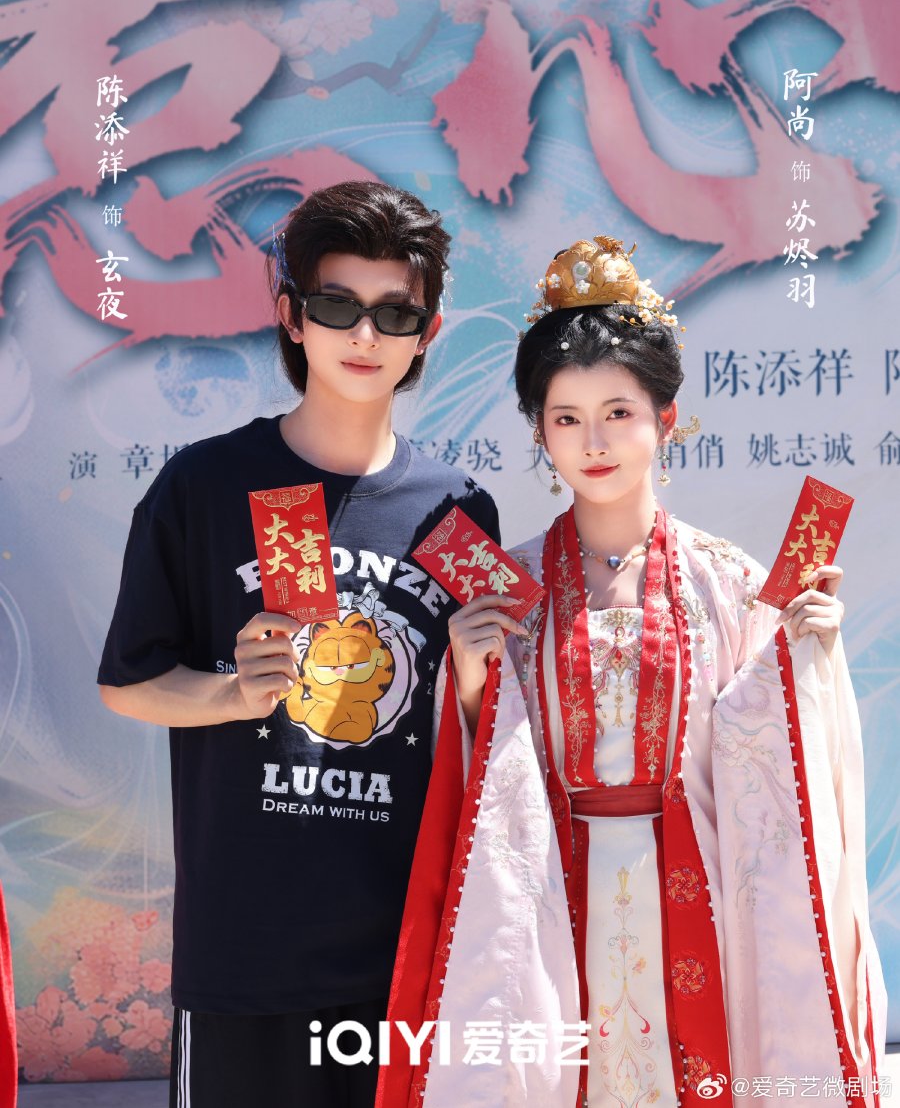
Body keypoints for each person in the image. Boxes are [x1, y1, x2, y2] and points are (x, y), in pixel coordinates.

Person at [378, 236, 886, 1108]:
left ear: (666, 417)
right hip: (556, 888)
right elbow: (484, 763)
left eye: (618, 411)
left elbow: (771, 752)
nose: (594, 440)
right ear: (540, 431)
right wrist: (466, 677)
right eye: (565, 418)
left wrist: (809, 649)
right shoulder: (510, 586)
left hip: (697, 890)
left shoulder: (728, 581)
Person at [98, 180, 500, 1108]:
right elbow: (128, 681)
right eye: (337, 305)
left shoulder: (456, 510)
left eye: (395, 312)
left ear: (427, 333)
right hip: (244, 952)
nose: (366, 335)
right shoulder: (206, 485)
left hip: (401, 950)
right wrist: (231, 693)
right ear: (292, 317)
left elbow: (476, 728)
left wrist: (477, 682)